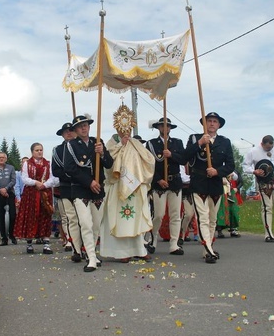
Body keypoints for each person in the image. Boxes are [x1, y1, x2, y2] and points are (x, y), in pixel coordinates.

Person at [100, 107, 155, 262]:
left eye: (129, 127)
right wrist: (120, 146)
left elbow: (148, 161)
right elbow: (108, 163)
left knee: (136, 219)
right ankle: (121, 252)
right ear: (117, 126)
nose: (126, 130)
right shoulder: (111, 143)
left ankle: (139, 249)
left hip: (135, 187)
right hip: (118, 186)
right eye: (123, 126)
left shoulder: (136, 143)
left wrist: (143, 182)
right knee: (121, 220)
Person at [62, 114, 114, 272]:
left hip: (98, 190)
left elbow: (109, 164)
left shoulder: (97, 142)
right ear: (75, 130)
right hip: (80, 189)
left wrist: (103, 152)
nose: (84, 128)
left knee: (96, 225)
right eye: (80, 126)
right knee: (85, 223)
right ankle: (91, 257)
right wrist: (89, 182)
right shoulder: (71, 145)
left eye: (86, 125)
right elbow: (69, 168)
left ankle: (93, 253)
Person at [185, 112, 236, 263]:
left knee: (212, 219)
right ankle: (208, 250)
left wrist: (218, 172)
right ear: (204, 124)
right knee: (203, 218)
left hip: (215, 183)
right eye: (209, 121)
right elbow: (184, 156)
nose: (212, 124)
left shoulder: (225, 142)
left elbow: (231, 165)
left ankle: (208, 246)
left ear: (219, 125)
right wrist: (199, 143)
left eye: (215, 121)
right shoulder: (194, 138)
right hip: (198, 182)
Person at [145, 117, 186, 255]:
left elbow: (183, 159)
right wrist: (157, 180)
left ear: (170, 128)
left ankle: (174, 244)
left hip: (174, 182)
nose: (165, 128)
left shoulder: (177, 143)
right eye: (162, 126)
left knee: (175, 214)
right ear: (158, 128)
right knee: (159, 214)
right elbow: (149, 165)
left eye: (167, 126)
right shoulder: (151, 144)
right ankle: (153, 237)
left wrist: (171, 155)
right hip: (159, 183)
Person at [15, 143, 57, 254]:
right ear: (32, 152)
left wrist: (44, 185)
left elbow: (53, 178)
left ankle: (46, 243)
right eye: (37, 150)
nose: (39, 152)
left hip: (45, 193)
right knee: (30, 216)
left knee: (45, 216)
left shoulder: (48, 163)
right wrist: (35, 182)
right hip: (31, 193)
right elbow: (24, 178)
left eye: (41, 150)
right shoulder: (27, 164)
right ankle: (29, 243)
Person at [51, 122, 77, 252]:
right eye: (66, 131)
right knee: (67, 216)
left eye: (71, 130)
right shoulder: (57, 150)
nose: (69, 132)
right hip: (65, 187)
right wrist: (71, 176)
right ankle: (69, 239)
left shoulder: (80, 147)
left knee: (82, 217)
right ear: (62, 134)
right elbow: (56, 171)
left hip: (81, 187)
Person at [0, 152, 17, 246]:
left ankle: (12, 235)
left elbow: (13, 180)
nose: (1, 159)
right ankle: (4, 238)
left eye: (3, 157)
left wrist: (6, 189)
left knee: (13, 215)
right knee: (0, 216)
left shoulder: (11, 168)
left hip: (10, 193)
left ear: (6, 159)